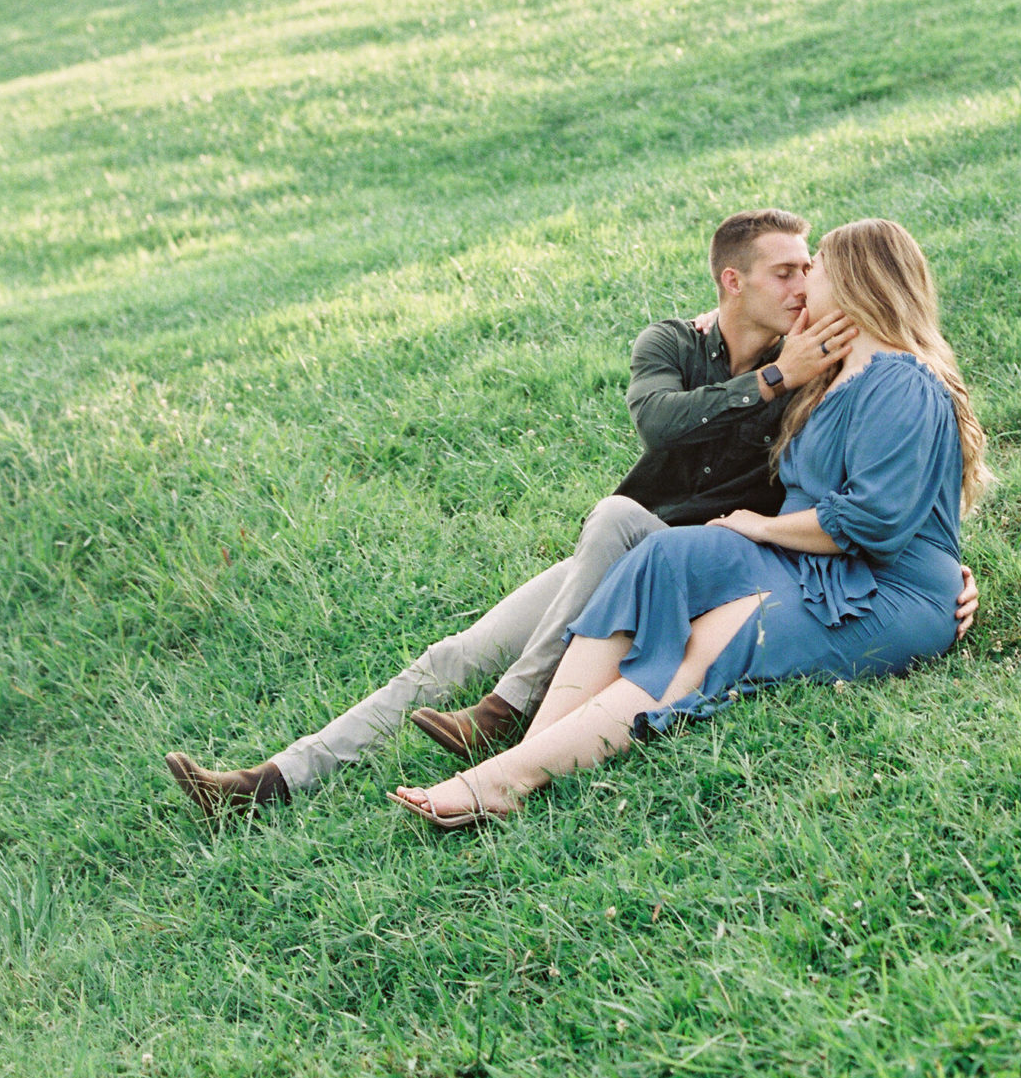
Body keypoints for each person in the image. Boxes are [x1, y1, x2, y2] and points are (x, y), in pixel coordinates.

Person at [165, 209, 978, 815]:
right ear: (734, 284)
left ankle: (509, 721)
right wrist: (771, 379)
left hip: (719, 555)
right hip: (653, 541)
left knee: (620, 528)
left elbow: (894, 486)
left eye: (813, 270)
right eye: (785, 274)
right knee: (458, 649)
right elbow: (659, 423)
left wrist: (943, 572)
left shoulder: (835, 366)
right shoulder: (683, 345)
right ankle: (274, 778)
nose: (803, 287)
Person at [393, 218, 986, 830]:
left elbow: (871, 523)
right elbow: (740, 327)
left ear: (859, 285)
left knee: (714, 639)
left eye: (819, 268)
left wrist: (758, 527)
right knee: (658, 557)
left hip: (887, 589)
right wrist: (719, 319)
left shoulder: (902, 381)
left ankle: (508, 779)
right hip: (814, 563)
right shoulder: (830, 374)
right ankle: (530, 746)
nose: (807, 279)